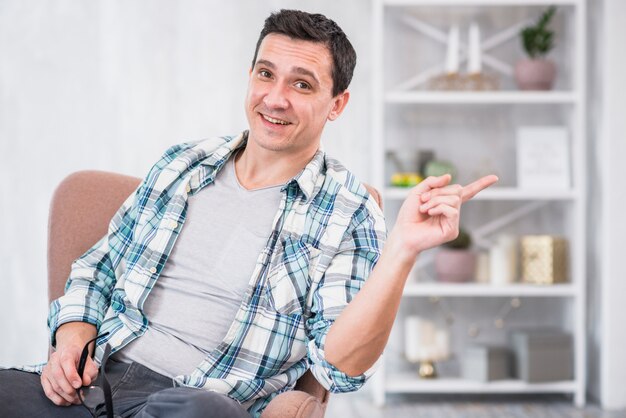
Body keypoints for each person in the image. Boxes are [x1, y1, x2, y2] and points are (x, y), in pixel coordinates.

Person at [0, 9, 497, 418]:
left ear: (336, 104)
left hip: (200, 401)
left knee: (198, 412)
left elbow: (339, 368)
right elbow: (97, 270)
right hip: (97, 383)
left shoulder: (348, 210)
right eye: (266, 74)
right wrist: (71, 342)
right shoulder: (183, 164)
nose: (275, 98)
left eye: (302, 85)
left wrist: (402, 252)